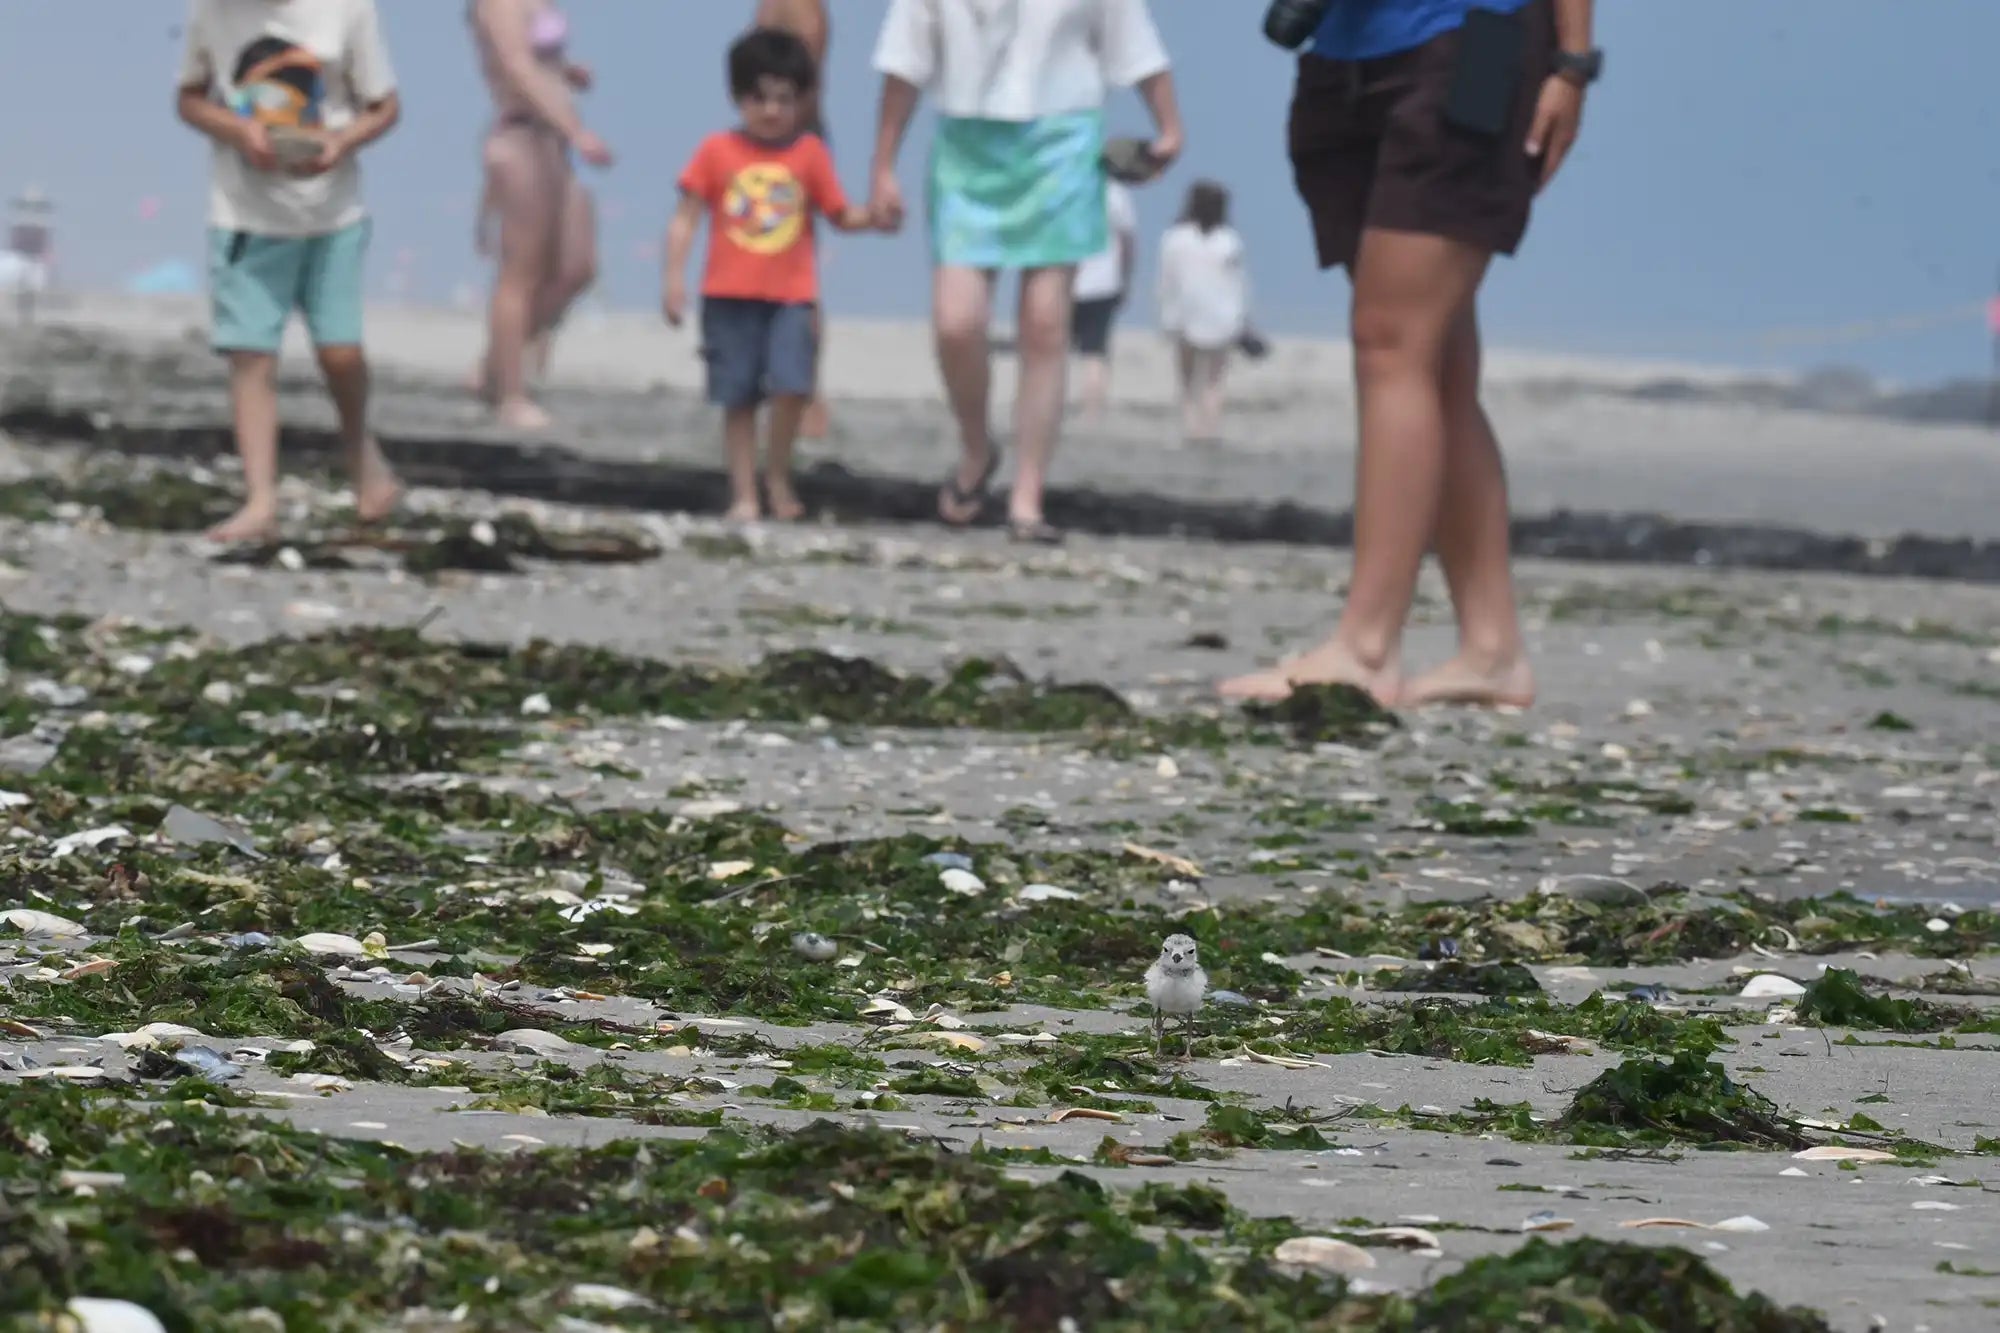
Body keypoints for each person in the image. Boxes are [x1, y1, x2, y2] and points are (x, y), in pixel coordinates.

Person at [1220, 0, 1595, 709]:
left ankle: (1365, 648)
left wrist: (1572, 67)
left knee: (1391, 340)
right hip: (1343, 54)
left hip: (1476, 42)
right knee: (1436, 360)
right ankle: (1492, 650)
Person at [868, 0, 1184, 545]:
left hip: (1062, 140)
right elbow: (905, 59)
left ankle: (1027, 495)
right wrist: (882, 166)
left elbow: (1133, 39)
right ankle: (977, 448)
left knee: (1045, 323)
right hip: (966, 145)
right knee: (956, 322)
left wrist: (1169, 126)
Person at [175, 0, 405, 543]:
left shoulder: (348, 10)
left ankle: (361, 452)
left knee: (340, 350)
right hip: (244, 216)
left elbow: (385, 106)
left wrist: (340, 142)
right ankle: (260, 500)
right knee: (251, 355)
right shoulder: (211, 11)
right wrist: (238, 131)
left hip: (332, 214)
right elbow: (189, 98)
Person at [663, 28, 880, 523]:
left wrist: (877, 217)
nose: (771, 111)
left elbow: (839, 214)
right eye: (759, 98)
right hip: (727, 292)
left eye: (784, 100)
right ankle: (744, 492)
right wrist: (674, 279)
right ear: (738, 97)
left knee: (791, 388)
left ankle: (778, 473)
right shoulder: (716, 151)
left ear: (802, 102)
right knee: (737, 398)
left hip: (791, 295)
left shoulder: (808, 155)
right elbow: (685, 218)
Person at [468, 0, 612, 432]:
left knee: (577, 265)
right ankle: (511, 394)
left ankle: (494, 363)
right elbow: (517, 66)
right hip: (519, 136)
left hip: (550, 138)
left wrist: (566, 72)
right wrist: (577, 132)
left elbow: (539, 63)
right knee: (522, 273)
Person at [754, 0, 836, 442]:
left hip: (793, 146)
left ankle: (807, 395)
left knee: (795, 281)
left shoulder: (803, 9)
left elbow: (805, 86)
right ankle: (788, 392)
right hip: (779, 144)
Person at [1157, 179, 1249, 443]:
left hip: (1185, 315)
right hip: (1223, 317)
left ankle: (1191, 427)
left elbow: (1166, 281)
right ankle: (1210, 429)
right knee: (1214, 381)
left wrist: (1165, 315)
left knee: (1187, 379)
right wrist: (1243, 318)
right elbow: (1239, 284)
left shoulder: (1175, 238)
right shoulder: (1229, 240)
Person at [1070, 178, 1137, 421]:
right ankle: (1092, 411)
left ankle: (1052, 405)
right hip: (1103, 281)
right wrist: (1126, 279)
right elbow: (1128, 242)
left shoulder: (1066, 186)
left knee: (1056, 351)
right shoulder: (1116, 194)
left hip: (1065, 279)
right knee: (1094, 352)